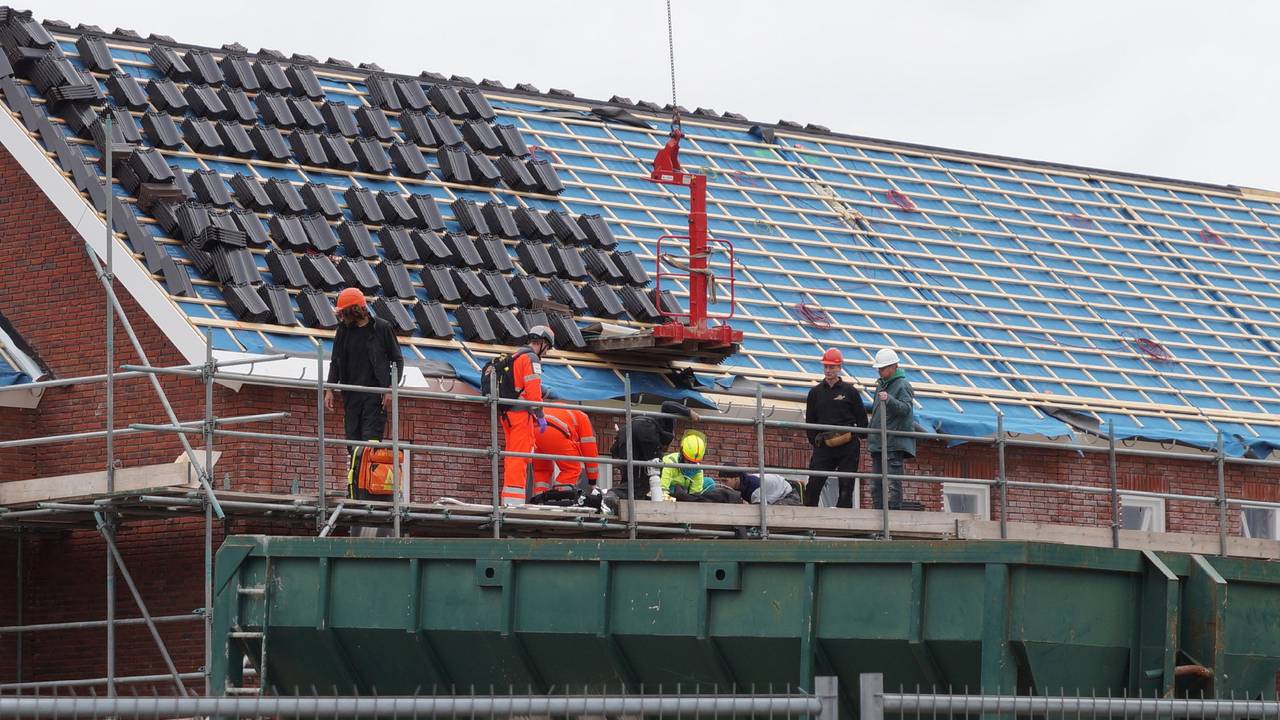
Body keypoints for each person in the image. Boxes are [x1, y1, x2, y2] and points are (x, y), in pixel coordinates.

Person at [323, 288, 404, 501]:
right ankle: (356, 493)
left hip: (374, 397)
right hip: (352, 397)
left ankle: (369, 494)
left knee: (370, 445)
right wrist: (329, 388)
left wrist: (389, 389)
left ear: (354, 310)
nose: (340, 316)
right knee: (353, 445)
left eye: (343, 312)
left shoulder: (382, 329)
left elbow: (398, 360)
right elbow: (336, 361)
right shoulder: (343, 331)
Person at [604, 400, 700, 511]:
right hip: (645, 430)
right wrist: (688, 412)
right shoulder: (666, 427)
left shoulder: (656, 435)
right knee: (652, 473)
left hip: (626, 431)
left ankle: (613, 496)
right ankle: (646, 504)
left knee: (631, 478)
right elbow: (666, 405)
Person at [497, 325, 555, 506]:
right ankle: (514, 503)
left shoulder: (515, 356)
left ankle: (508, 501)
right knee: (519, 457)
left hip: (507, 414)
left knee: (512, 456)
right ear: (543, 343)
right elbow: (532, 390)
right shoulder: (531, 359)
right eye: (547, 348)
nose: (545, 353)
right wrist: (540, 414)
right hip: (521, 415)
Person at [804, 348, 867, 508]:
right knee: (813, 485)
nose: (828, 370)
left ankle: (843, 524)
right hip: (824, 445)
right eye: (825, 366)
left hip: (847, 445)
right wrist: (816, 441)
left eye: (831, 367)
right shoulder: (815, 393)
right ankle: (807, 522)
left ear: (839, 368)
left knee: (846, 487)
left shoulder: (850, 392)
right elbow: (810, 420)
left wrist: (853, 437)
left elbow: (862, 420)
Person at [867, 348, 915, 511]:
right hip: (880, 442)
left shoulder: (902, 385)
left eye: (883, 368)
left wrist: (889, 400)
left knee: (893, 484)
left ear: (893, 366)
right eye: (879, 369)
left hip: (893, 443)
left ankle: (892, 519)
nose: (880, 371)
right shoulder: (881, 385)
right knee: (876, 485)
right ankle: (879, 517)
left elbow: (906, 409)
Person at [532, 406, 601, 495]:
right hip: (554, 429)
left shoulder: (567, 410)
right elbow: (590, 452)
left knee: (542, 470)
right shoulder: (583, 418)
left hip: (535, 429)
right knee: (572, 469)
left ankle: (539, 498)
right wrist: (593, 482)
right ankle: (557, 497)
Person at [659, 431, 712, 501]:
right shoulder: (670, 463)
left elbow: (695, 494)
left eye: (694, 462)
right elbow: (663, 489)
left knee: (710, 482)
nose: (690, 465)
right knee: (676, 490)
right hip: (670, 488)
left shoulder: (698, 470)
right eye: (688, 460)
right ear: (682, 454)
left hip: (684, 490)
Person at [721, 468, 804, 505]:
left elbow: (761, 509)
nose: (723, 484)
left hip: (788, 495)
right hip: (776, 494)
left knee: (774, 514)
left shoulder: (753, 486)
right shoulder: (743, 484)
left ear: (736, 478)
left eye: (725, 481)